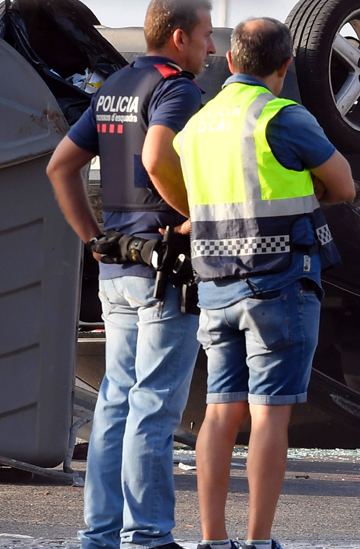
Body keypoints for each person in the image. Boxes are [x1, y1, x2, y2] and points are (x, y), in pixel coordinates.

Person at [171, 17, 356, 549]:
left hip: (214, 285)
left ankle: (213, 540)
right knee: (269, 414)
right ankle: (258, 541)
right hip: (277, 284)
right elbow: (343, 184)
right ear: (286, 66)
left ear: (229, 61)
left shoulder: (199, 126)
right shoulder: (282, 116)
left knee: (219, 413)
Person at [45, 1, 215, 547]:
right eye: (207, 37)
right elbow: (157, 155)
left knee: (117, 402)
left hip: (117, 267)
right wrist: (196, 215)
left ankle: (99, 533)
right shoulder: (177, 89)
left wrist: (93, 239)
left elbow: (60, 166)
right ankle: (147, 536)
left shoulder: (116, 83)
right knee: (155, 405)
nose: (211, 49)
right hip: (164, 271)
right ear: (180, 37)